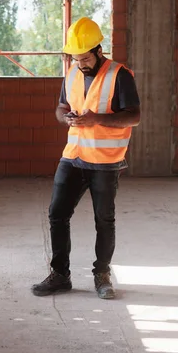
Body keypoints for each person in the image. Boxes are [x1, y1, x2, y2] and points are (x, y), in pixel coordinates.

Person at [31, 17, 141, 300]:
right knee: (57, 214)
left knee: (104, 219)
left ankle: (102, 276)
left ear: (98, 50)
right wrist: (65, 117)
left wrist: (97, 119)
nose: (80, 63)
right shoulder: (72, 73)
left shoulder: (120, 75)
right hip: (73, 156)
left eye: (84, 58)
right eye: (76, 58)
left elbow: (134, 116)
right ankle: (60, 276)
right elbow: (61, 106)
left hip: (105, 161)